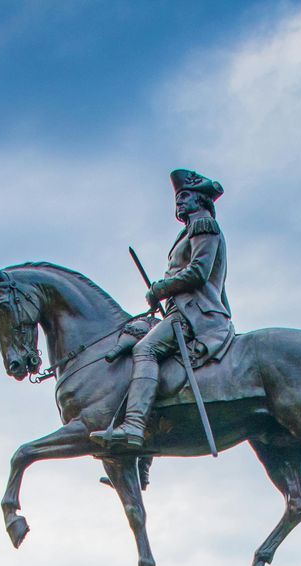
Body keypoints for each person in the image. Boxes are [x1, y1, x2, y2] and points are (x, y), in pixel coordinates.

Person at [90, 168, 233, 453]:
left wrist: (162, 288)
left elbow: (199, 272)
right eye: (177, 198)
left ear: (201, 200)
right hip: (182, 311)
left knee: (146, 350)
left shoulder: (203, 224)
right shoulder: (188, 231)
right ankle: (142, 461)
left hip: (197, 314)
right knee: (134, 336)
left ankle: (133, 425)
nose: (179, 202)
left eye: (185, 196)